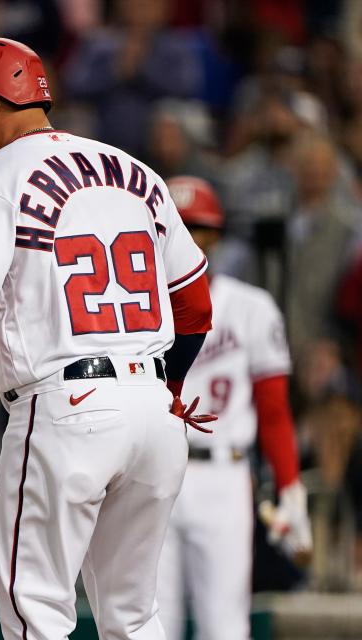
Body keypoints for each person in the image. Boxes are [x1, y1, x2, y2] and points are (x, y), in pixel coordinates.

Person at [0, 38, 215, 639]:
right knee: (134, 615)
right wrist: (169, 388)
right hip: (154, 410)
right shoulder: (138, 171)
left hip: (65, 411)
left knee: (36, 616)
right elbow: (197, 305)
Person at [156, 176, 312, 640]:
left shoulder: (251, 306)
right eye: (176, 227)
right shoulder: (136, 308)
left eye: (197, 228)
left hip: (224, 474)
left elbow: (275, 411)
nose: (187, 238)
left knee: (224, 627)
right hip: (154, 472)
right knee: (144, 625)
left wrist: (290, 488)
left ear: (216, 235)